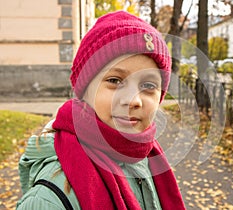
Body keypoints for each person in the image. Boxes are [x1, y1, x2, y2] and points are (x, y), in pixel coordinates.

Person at [16, 11, 186, 210]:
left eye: (148, 85)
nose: (134, 100)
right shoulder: (47, 200)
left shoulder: (147, 159)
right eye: (114, 81)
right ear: (85, 88)